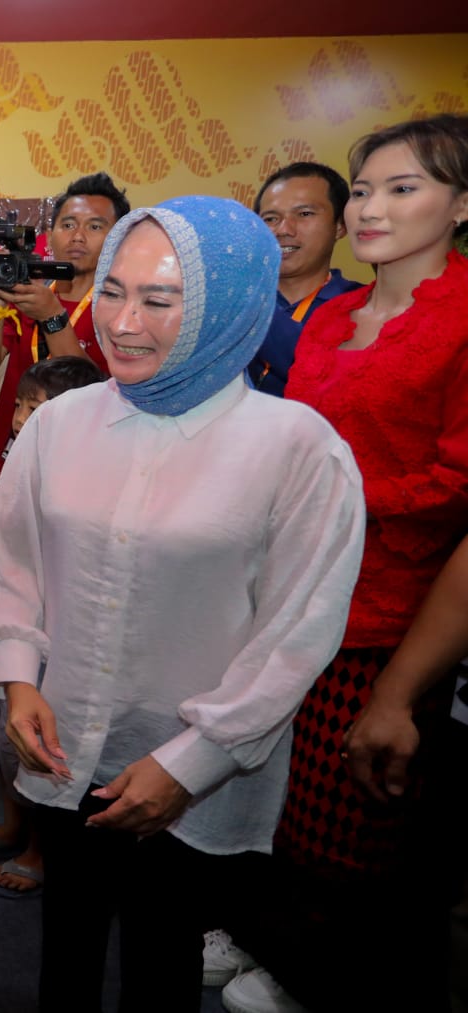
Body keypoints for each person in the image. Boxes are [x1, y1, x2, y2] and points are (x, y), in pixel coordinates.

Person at [0, 195, 365, 1013]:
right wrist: (18, 673)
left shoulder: (297, 449)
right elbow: (10, 555)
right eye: (113, 290)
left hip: (195, 769)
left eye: (160, 299)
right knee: (66, 945)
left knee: (162, 959)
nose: (122, 323)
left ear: (231, 306)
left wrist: (194, 761)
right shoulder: (61, 422)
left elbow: (296, 631)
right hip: (63, 740)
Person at [222, 113, 468, 1013]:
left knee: (355, 810)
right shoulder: (332, 320)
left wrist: (334, 497)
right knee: (276, 782)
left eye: (403, 188)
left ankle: (325, 971)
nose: (370, 208)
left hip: (394, 609)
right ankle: (271, 934)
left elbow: (456, 482)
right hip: (295, 588)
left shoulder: (461, 321)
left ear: (461, 204)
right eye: (364, 189)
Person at [0, 173, 128, 752]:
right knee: (1, 589)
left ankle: (50, 714)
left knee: (60, 603)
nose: (78, 236)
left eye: (95, 225)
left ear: (117, 236)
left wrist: (53, 317)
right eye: (68, 224)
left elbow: (100, 393)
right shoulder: (27, 291)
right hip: (14, 461)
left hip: (81, 477)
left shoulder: (120, 305)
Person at [0, 355, 105, 901]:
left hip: (47, 629)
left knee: (37, 738)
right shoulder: (21, 452)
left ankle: (39, 848)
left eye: (34, 407)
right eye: (19, 404)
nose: (19, 418)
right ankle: (13, 824)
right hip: (3, 616)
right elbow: (1, 536)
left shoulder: (85, 472)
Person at [245, 162, 364, 396]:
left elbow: (333, 383)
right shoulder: (230, 300)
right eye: (270, 218)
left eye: (304, 214)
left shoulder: (364, 306)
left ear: (340, 226)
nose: (284, 229)